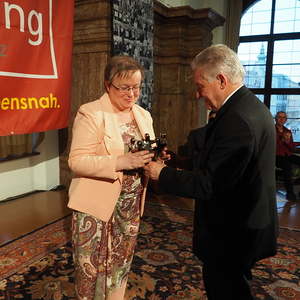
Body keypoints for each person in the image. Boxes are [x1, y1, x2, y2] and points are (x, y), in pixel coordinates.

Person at [144, 44, 278, 300]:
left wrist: (161, 173)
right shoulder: (249, 107)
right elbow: (222, 163)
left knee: (227, 291)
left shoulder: (237, 120)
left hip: (233, 233)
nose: (197, 95)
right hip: (246, 222)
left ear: (221, 80)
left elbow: (209, 184)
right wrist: (179, 163)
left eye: (200, 86)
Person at [68, 55, 155, 300]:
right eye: (124, 88)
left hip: (130, 204)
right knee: (91, 268)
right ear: (108, 85)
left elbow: (144, 149)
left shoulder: (143, 115)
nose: (132, 94)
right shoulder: (91, 113)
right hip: (96, 206)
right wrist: (120, 162)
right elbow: (76, 161)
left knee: (121, 261)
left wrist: (155, 157)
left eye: (137, 87)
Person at [275, 111, 300, 201]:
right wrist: (282, 140)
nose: (282, 119)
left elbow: (292, 148)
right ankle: (290, 194)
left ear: (286, 120)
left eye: (284, 117)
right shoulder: (271, 130)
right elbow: (271, 146)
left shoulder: (287, 131)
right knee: (287, 166)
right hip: (276, 156)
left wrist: (288, 142)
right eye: (279, 117)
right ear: (275, 118)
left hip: (288, 155)